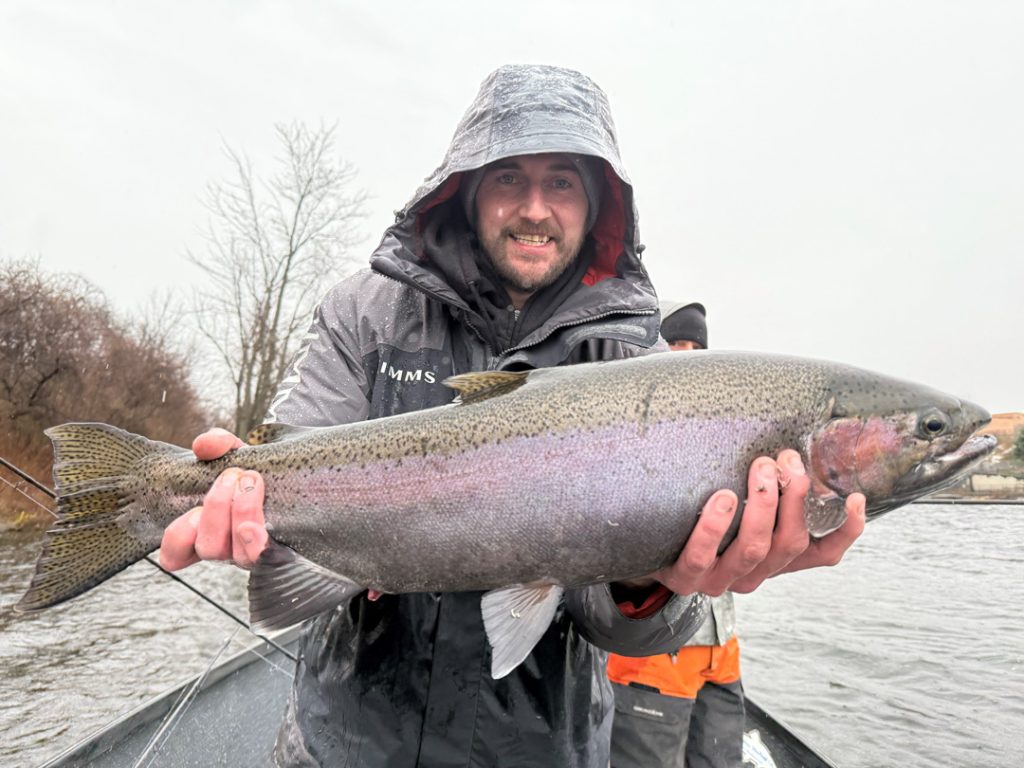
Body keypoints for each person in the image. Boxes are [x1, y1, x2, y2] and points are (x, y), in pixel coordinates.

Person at [160, 64, 865, 767]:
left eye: (561, 181)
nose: (534, 207)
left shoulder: (637, 362)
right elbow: (297, 458)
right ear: (464, 190)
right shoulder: (364, 311)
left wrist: (654, 583)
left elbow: (629, 634)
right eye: (509, 179)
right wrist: (245, 505)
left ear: (598, 204)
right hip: (346, 741)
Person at [608, 301, 745, 768]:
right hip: (649, 663)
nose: (686, 354)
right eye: (676, 344)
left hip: (720, 655)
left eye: (696, 347)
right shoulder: (629, 439)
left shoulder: (729, 437)